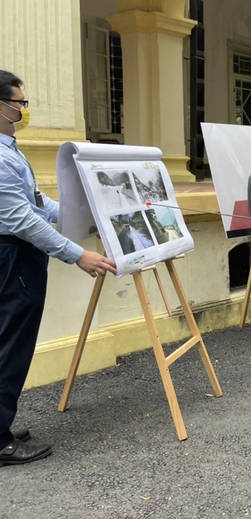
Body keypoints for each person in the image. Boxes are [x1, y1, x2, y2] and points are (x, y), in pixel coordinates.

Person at [0, 70, 116, 467]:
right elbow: (21, 219)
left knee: (10, 342)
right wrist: (77, 254)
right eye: (19, 103)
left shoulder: (9, 148)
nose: (23, 110)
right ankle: (0, 442)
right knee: (9, 347)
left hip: (18, 255)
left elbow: (36, 203)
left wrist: (86, 213)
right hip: (12, 258)